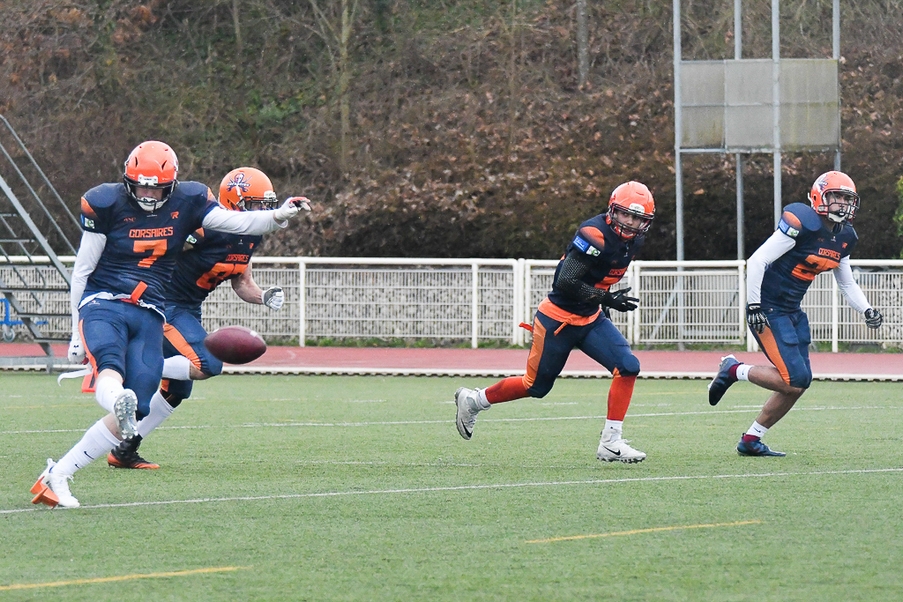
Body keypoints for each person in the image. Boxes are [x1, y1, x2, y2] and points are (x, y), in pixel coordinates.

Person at [30, 141, 310, 508]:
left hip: (152, 310)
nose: (148, 196)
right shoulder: (112, 204)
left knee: (150, 402)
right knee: (125, 366)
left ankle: (67, 470)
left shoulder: (193, 206)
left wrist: (279, 216)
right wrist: (75, 330)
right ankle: (117, 389)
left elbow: (242, 242)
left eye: (157, 188)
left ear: (172, 185)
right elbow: (83, 268)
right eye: (141, 187)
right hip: (116, 301)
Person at [454, 181, 655, 463]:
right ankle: (474, 400)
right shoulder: (594, 234)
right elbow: (565, 281)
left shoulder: (634, 241)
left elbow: (599, 274)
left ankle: (611, 442)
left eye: (637, 218)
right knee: (536, 387)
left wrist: (601, 303)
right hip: (558, 319)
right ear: (612, 210)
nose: (631, 223)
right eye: (626, 214)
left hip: (591, 318)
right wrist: (606, 298)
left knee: (628, 366)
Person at [106, 167, 288, 470]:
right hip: (162, 303)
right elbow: (160, 243)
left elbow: (242, 282)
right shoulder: (204, 228)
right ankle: (132, 363)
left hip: (188, 308)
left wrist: (264, 296)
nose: (263, 212)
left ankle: (125, 450)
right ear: (235, 201)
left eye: (266, 205)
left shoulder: (250, 236)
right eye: (257, 204)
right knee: (207, 363)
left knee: (178, 389)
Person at [707, 170, 883, 456]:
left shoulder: (844, 236)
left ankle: (751, 439)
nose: (842, 204)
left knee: (800, 383)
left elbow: (846, 282)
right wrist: (753, 305)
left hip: (791, 310)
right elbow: (757, 260)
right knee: (794, 379)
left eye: (847, 199)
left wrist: (866, 309)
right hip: (767, 308)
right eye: (836, 197)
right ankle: (734, 369)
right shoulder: (803, 223)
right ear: (819, 196)